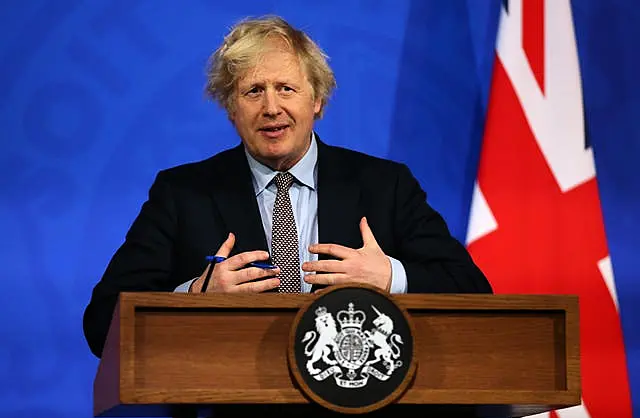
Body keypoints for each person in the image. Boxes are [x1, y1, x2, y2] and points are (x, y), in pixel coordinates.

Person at [83, 15, 492, 358]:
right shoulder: (182, 193)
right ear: (231, 109)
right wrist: (194, 297)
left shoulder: (385, 186)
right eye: (253, 91)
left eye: (286, 89)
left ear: (317, 101)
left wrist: (389, 277)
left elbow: (475, 294)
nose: (271, 107)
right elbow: (102, 324)